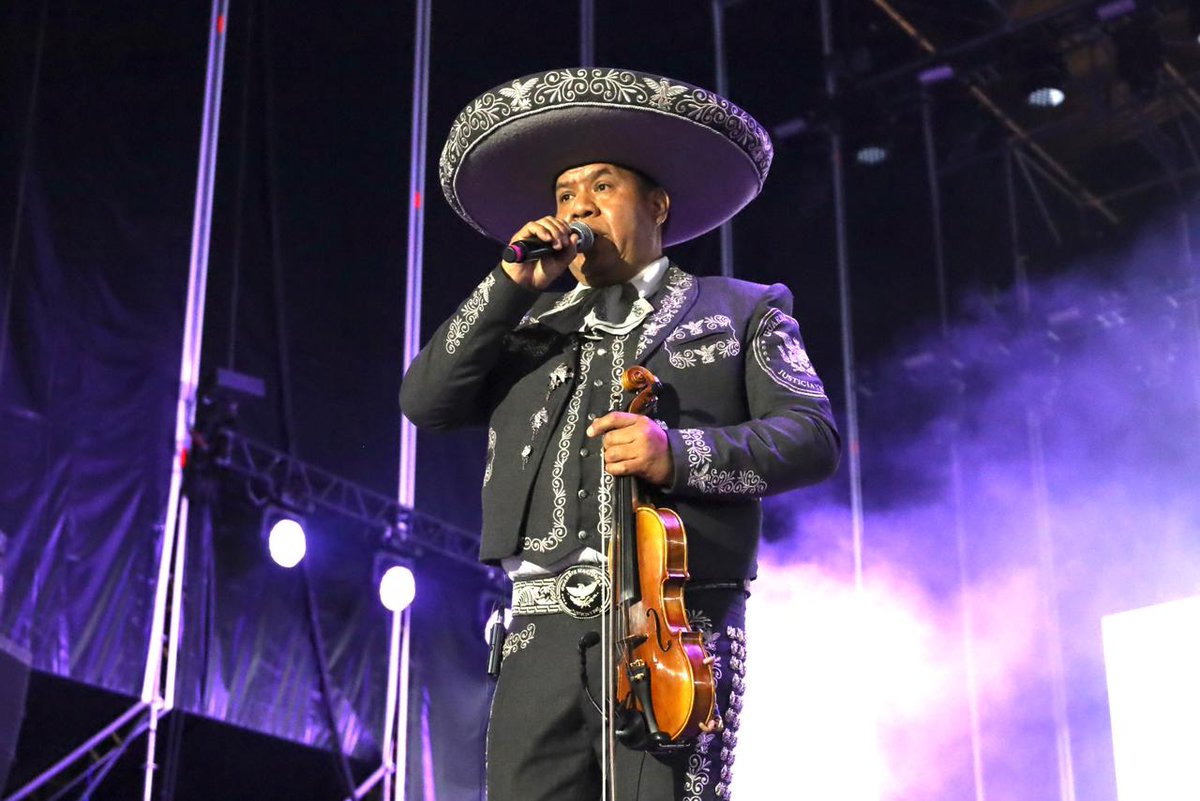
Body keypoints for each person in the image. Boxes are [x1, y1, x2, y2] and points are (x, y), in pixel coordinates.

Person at [401, 67, 840, 801]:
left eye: (602, 188)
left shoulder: (742, 309)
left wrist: (680, 454)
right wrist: (510, 285)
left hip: (672, 630)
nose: (578, 209)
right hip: (537, 636)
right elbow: (424, 401)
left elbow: (812, 435)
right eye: (565, 195)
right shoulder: (526, 329)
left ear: (657, 204)